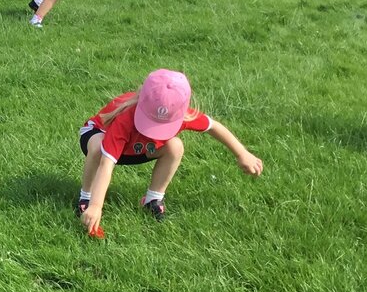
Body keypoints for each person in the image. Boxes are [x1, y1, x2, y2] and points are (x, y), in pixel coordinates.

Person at [77, 69, 263, 232]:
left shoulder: (182, 115)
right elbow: (106, 165)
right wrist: (96, 206)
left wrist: (242, 154)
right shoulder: (125, 118)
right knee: (98, 146)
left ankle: (153, 200)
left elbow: (214, 126)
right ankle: (86, 198)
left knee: (175, 146)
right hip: (101, 139)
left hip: (138, 148)